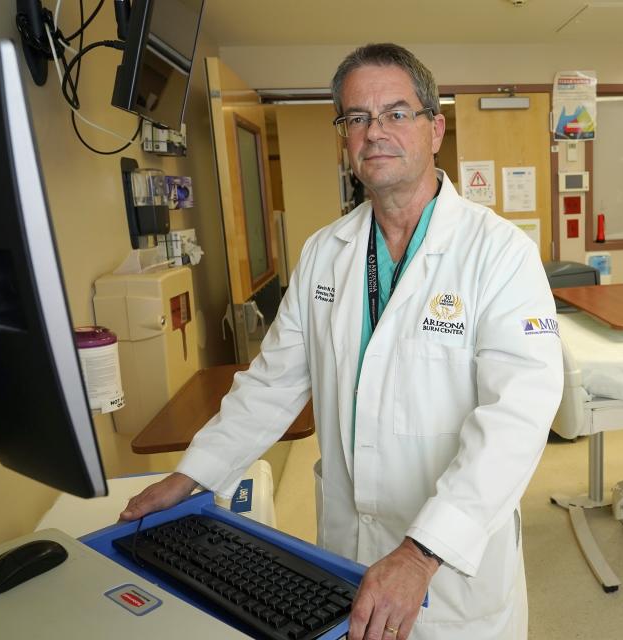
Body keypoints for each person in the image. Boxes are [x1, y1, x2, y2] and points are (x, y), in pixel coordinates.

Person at [120, 43, 563, 640]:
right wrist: (193, 475)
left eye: (396, 113)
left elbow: (517, 419)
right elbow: (272, 385)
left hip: (451, 566)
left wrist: (423, 553)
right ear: (345, 138)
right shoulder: (325, 253)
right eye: (356, 118)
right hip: (349, 551)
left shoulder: (500, 254)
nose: (375, 132)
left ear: (435, 129)